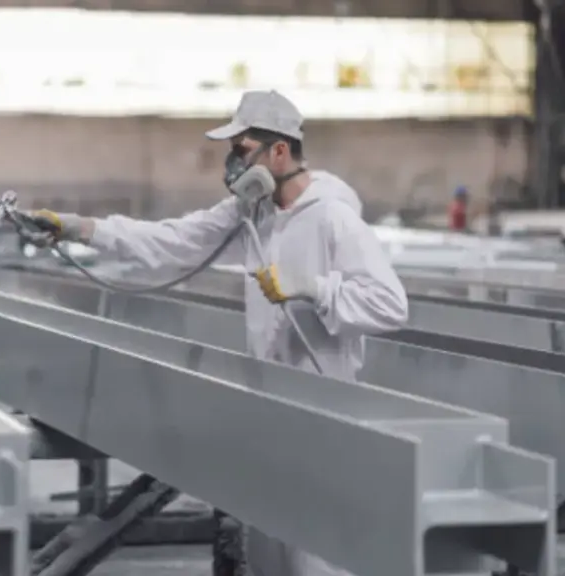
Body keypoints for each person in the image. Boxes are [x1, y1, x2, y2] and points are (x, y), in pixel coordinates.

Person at [21, 89, 409, 576]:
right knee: (270, 559)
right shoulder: (253, 214)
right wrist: (79, 228)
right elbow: (173, 240)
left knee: (313, 564)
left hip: (322, 420)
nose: (233, 163)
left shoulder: (332, 217)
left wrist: (314, 288)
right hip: (271, 412)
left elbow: (390, 305)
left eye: (242, 150)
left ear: (279, 151)